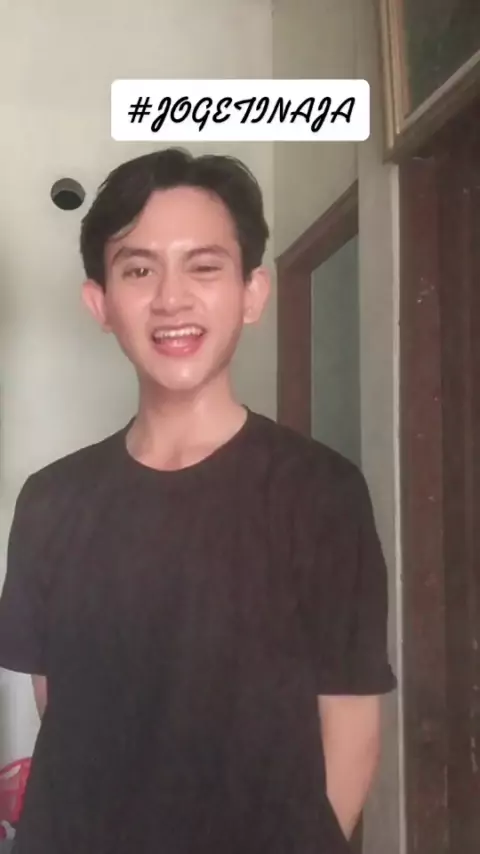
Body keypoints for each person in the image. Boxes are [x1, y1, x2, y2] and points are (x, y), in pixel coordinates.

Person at [0, 148, 396, 854]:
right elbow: (60, 701)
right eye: (139, 270)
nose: (171, 298)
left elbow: (351, 723)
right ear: (100, 303)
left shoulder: (321, 493)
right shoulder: (50, 501)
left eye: (204, 267)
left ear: (252, 293)